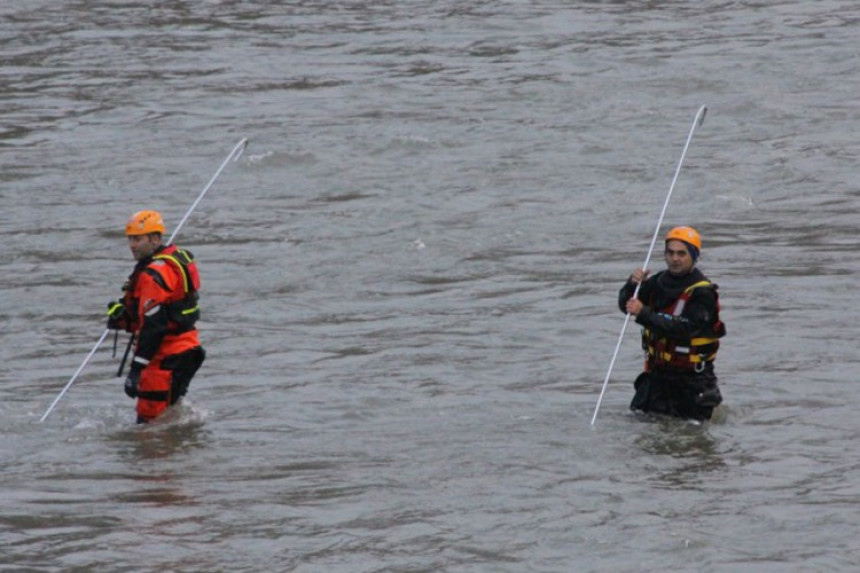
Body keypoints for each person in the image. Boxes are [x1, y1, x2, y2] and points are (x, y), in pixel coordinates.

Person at [106, 210, 206, 423]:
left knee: (149, 427)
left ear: (155, 239)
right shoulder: (171, 261)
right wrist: (125, 315)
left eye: (138, 239)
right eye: (130, 239)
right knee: (168, 417)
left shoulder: (154, 275)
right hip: (187, 350)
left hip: (166, 358)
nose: (132, 245)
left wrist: (135, 370)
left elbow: (154, 327)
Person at [618, 226, 726, 421]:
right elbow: (626, 306)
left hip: (692, 381)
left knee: (690, 442)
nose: (675, 258)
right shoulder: (657, 282)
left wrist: (643, 313)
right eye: (670, 253)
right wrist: (632, 286)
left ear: (693, 256)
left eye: (681, 254)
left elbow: (685, 328)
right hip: (657, 377)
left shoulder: (703, 293)